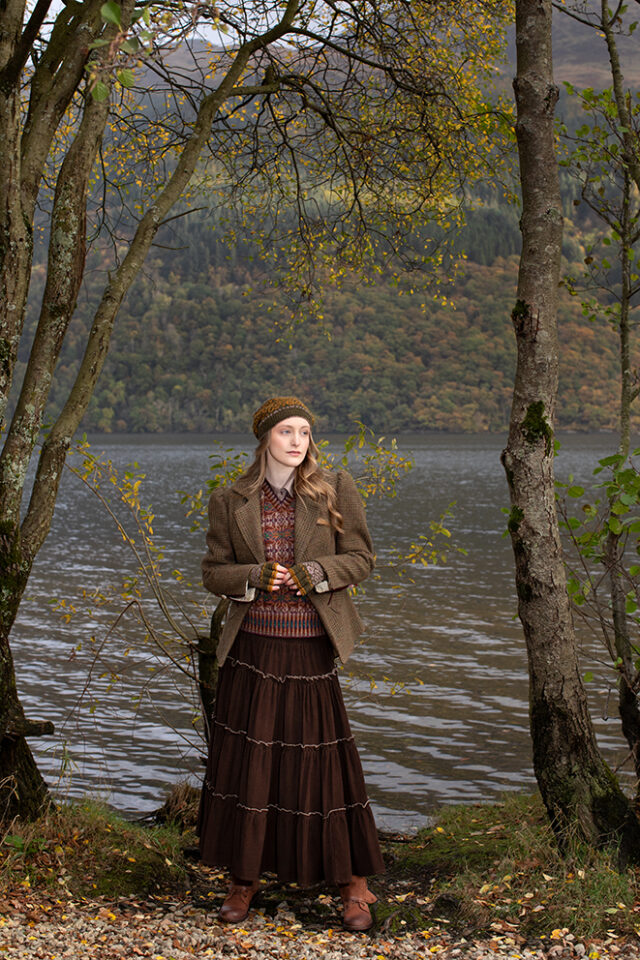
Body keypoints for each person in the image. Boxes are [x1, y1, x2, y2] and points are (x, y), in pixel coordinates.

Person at [197, 396, 385, 931]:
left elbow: (362, 558)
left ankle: (353, 884)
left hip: (310, 649)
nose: (298, 440)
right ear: (265, 440)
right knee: (251, 767)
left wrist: (318, 574)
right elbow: (213, 571)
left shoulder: (333, 488)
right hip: (252, 650)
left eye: (304, 431)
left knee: (324, 767)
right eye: (286, 431)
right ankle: (243, 880)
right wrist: (253, 576)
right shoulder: (229, 497)